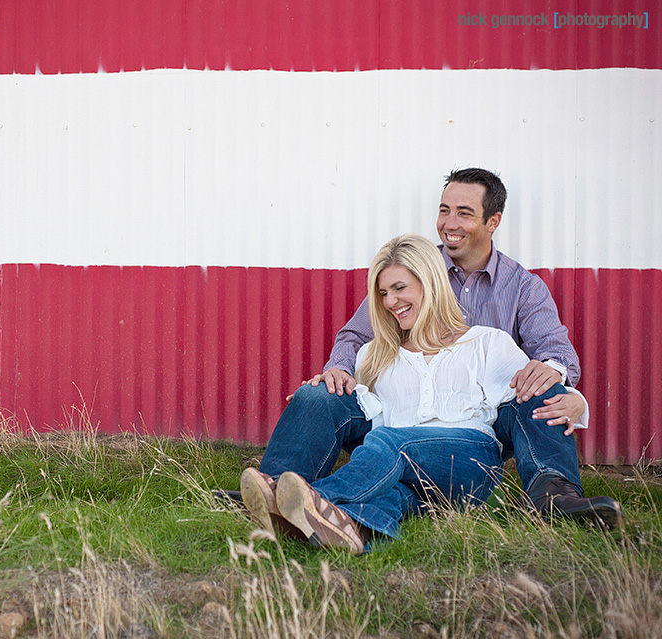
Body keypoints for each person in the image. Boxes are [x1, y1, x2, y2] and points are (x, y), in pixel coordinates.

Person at [240, 168, 621, 528]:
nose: (449, 223)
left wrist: (566, 390)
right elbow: (356, 336)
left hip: (479, 424)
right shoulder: (409, 269)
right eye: (444, 210)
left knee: (542, 381)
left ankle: (553, 493)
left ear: (493, 222)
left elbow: (555, 352)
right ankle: (277, 491)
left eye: (464, 213)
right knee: (323, 399)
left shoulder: (518, 294)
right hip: (401, 419)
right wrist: (338, 372)